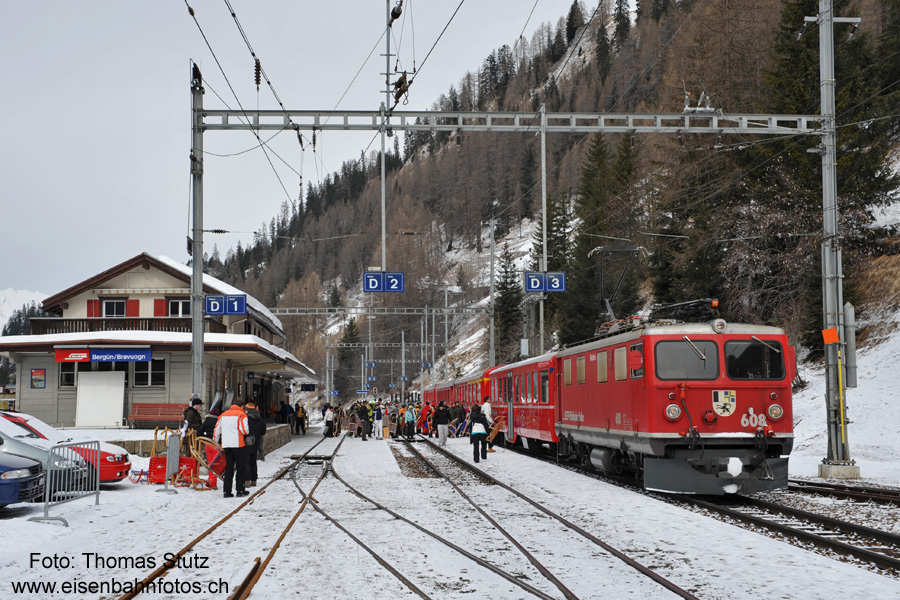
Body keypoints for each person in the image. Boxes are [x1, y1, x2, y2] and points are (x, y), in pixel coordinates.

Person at [214, 400, 250, 498]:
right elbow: (244, 430)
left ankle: (227, 491)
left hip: (226, 444)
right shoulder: (241, 415)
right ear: (241, 406)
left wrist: (216, 442)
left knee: (229, 467)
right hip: (238, 444)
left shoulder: (223, 415)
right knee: (240, 467)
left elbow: (216, 430)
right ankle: (240, 490)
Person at [243, 401, 266, 488]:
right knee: (253, 462)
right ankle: (254, 480)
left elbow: (243, 430)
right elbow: (263, 432)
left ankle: (247, 481)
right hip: (256, 443)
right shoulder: (260, 419)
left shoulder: (246, 419)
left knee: (246, 462)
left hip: (247, 442)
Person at [199, 407, 221, 489]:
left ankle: (210, 481)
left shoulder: (206, 421)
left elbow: (199, 432)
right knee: (215, 465)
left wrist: (206, 438)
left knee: (210, 464)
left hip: (208, 444)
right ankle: (213, 483)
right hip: (216, 445)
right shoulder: (219, 422)